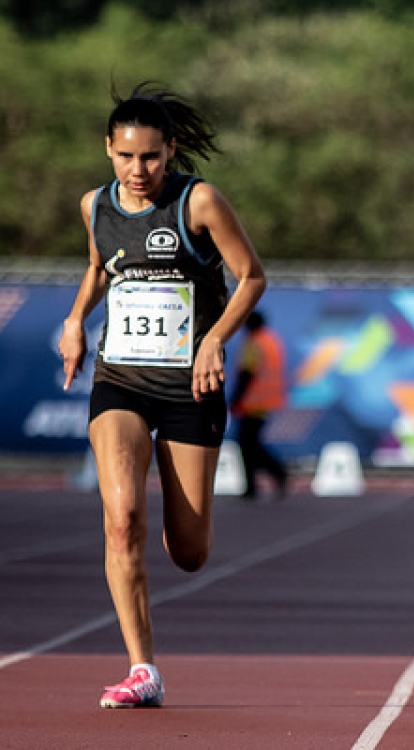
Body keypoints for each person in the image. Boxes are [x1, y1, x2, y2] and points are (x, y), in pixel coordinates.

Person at [58, 83, 267, 708]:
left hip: (189, 385)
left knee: (189, 551)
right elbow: (100, 266)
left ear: (170, 150)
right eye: (125, 157)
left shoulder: (197, 202)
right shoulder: (95, 206)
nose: (138, 170)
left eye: (150, 157)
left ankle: (186, 531)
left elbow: (252, 275)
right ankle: (141, 667)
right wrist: (75, 320)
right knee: (121, 521)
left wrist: (216, 340)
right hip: (119, 379)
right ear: (108, 150)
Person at [229, 310, 289, 500]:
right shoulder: (271, 340)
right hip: (267, 401)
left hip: (252, 402)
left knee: (248, 445)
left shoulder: (253, 342)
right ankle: (274, 473)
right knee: (252, 443)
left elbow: (247, 373)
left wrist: (236, 399)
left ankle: (258, 482)